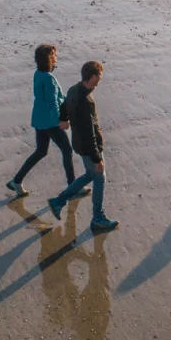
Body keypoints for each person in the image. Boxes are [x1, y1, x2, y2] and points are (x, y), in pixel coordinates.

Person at [6, 44, 90, 199]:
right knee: (66, 150)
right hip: (51, 122)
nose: (56, 57)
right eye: (54, 55)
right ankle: (72, 187)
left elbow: (51, 99)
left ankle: (16, 181)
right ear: (49, 58)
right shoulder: (49, 78)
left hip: (39, 119)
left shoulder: (38, 74)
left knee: (41, 151)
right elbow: (53, 102)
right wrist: (62, 120)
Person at [47, 61, 119, 232]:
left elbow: (64, 104)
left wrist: (63, 118)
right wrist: (97, 158)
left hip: (78, 143)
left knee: (89, 175)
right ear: (92, 76)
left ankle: (58, 201)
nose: (99, 81)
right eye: (98, 77)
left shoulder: (74, 89)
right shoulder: (85, 100)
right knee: (99, 177)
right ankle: (98, 218)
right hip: (88, 146)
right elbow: (89, 133)